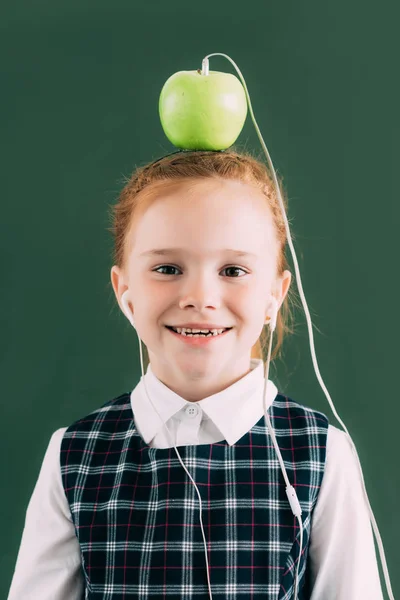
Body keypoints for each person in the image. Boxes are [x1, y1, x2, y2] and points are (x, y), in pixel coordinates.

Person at [8, 149, 383, 599]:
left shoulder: (322, 455)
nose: (200, 296)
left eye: (233, 270)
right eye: (168, 269)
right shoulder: (74, 457)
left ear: (273, 295)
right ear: (124, 290)